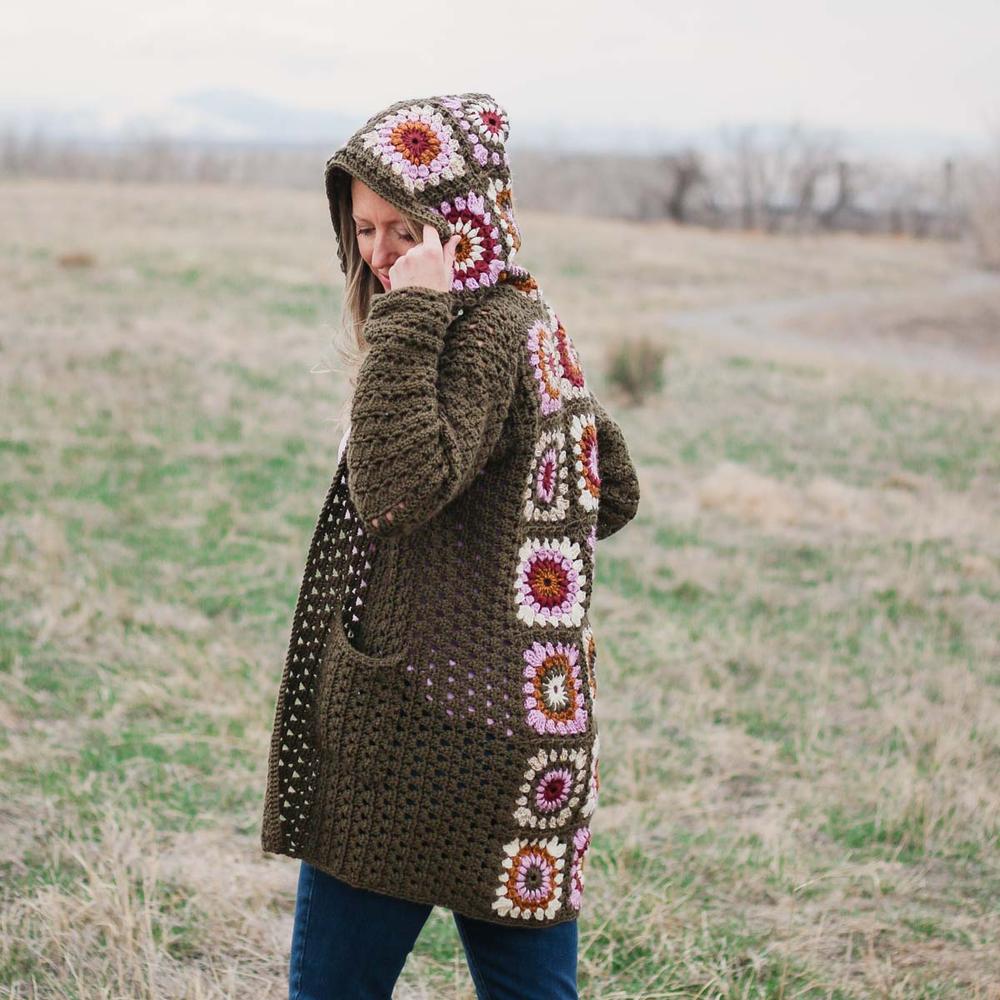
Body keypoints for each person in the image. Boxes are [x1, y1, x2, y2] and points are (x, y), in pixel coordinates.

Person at [260, 91, 641, 1000]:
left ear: (460, 222)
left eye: (404, 229)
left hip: (414, 741)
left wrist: (410, 320)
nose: (382, 255)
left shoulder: (472, 328)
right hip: (531, 744)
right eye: (364, 229)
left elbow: (393, 493)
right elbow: (611, 488)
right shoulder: (535, 319)